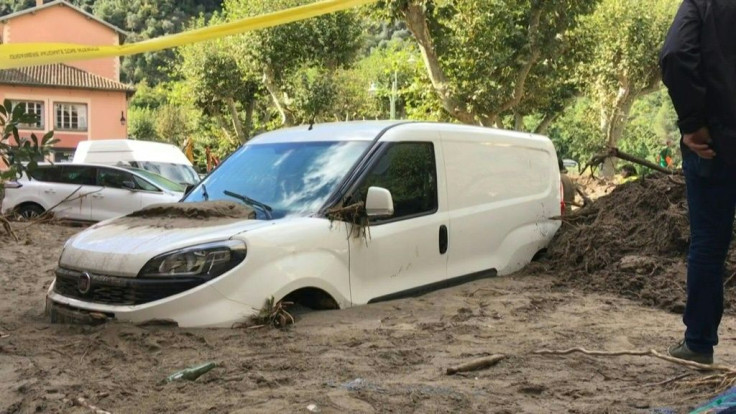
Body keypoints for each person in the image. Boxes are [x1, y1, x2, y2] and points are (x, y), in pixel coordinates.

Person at [660, 0, 736, 365]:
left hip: (713, 146)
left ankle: (698, 345)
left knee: (708, 246)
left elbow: (675, 52)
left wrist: (693, 123)